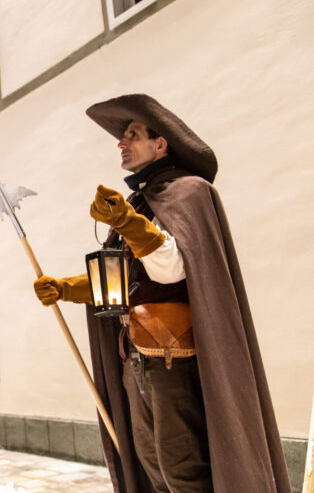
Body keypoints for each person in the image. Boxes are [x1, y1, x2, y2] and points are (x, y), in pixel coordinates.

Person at [33, 94, 291, 493]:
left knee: (181, 468)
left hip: (174, 359)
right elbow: (122, 280)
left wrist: (128, 221)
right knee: (151, 464)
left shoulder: (189, 192)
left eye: (132, 135)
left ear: (161, 143)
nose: (121, 143)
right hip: (134, 353)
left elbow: (172, 269)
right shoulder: (137, 204)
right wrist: (67, 288)